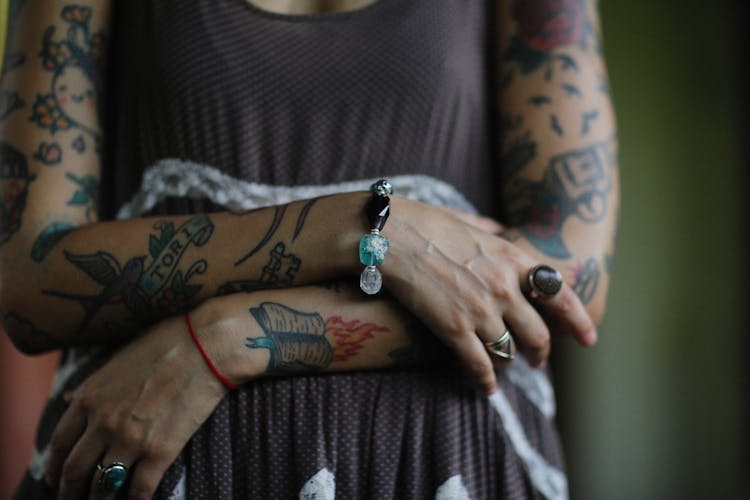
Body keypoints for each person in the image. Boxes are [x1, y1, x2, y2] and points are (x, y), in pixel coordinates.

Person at [0, 0, 618, 498]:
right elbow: (30, 281)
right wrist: (364, 228)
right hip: (150, 462)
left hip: (440, 462)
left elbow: (566, 280)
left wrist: (235, 338)